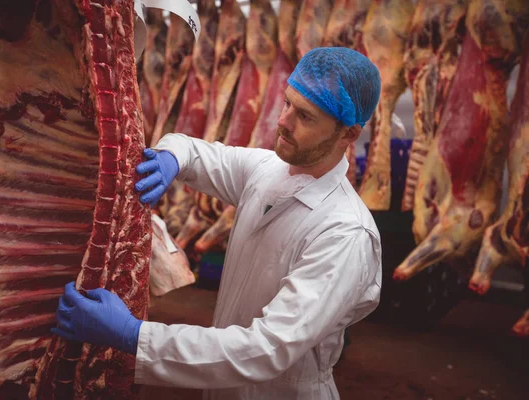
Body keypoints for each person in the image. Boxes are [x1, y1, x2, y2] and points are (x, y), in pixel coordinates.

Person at [53, 47, 383, 399]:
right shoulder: (267, 169)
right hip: (224, 385)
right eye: (287, 103)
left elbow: (266, 349)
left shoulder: (345, 233)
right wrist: (170, 158)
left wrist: (135, 336)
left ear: (348, 134)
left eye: (305, 116)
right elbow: (196, 153)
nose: (283, 121)